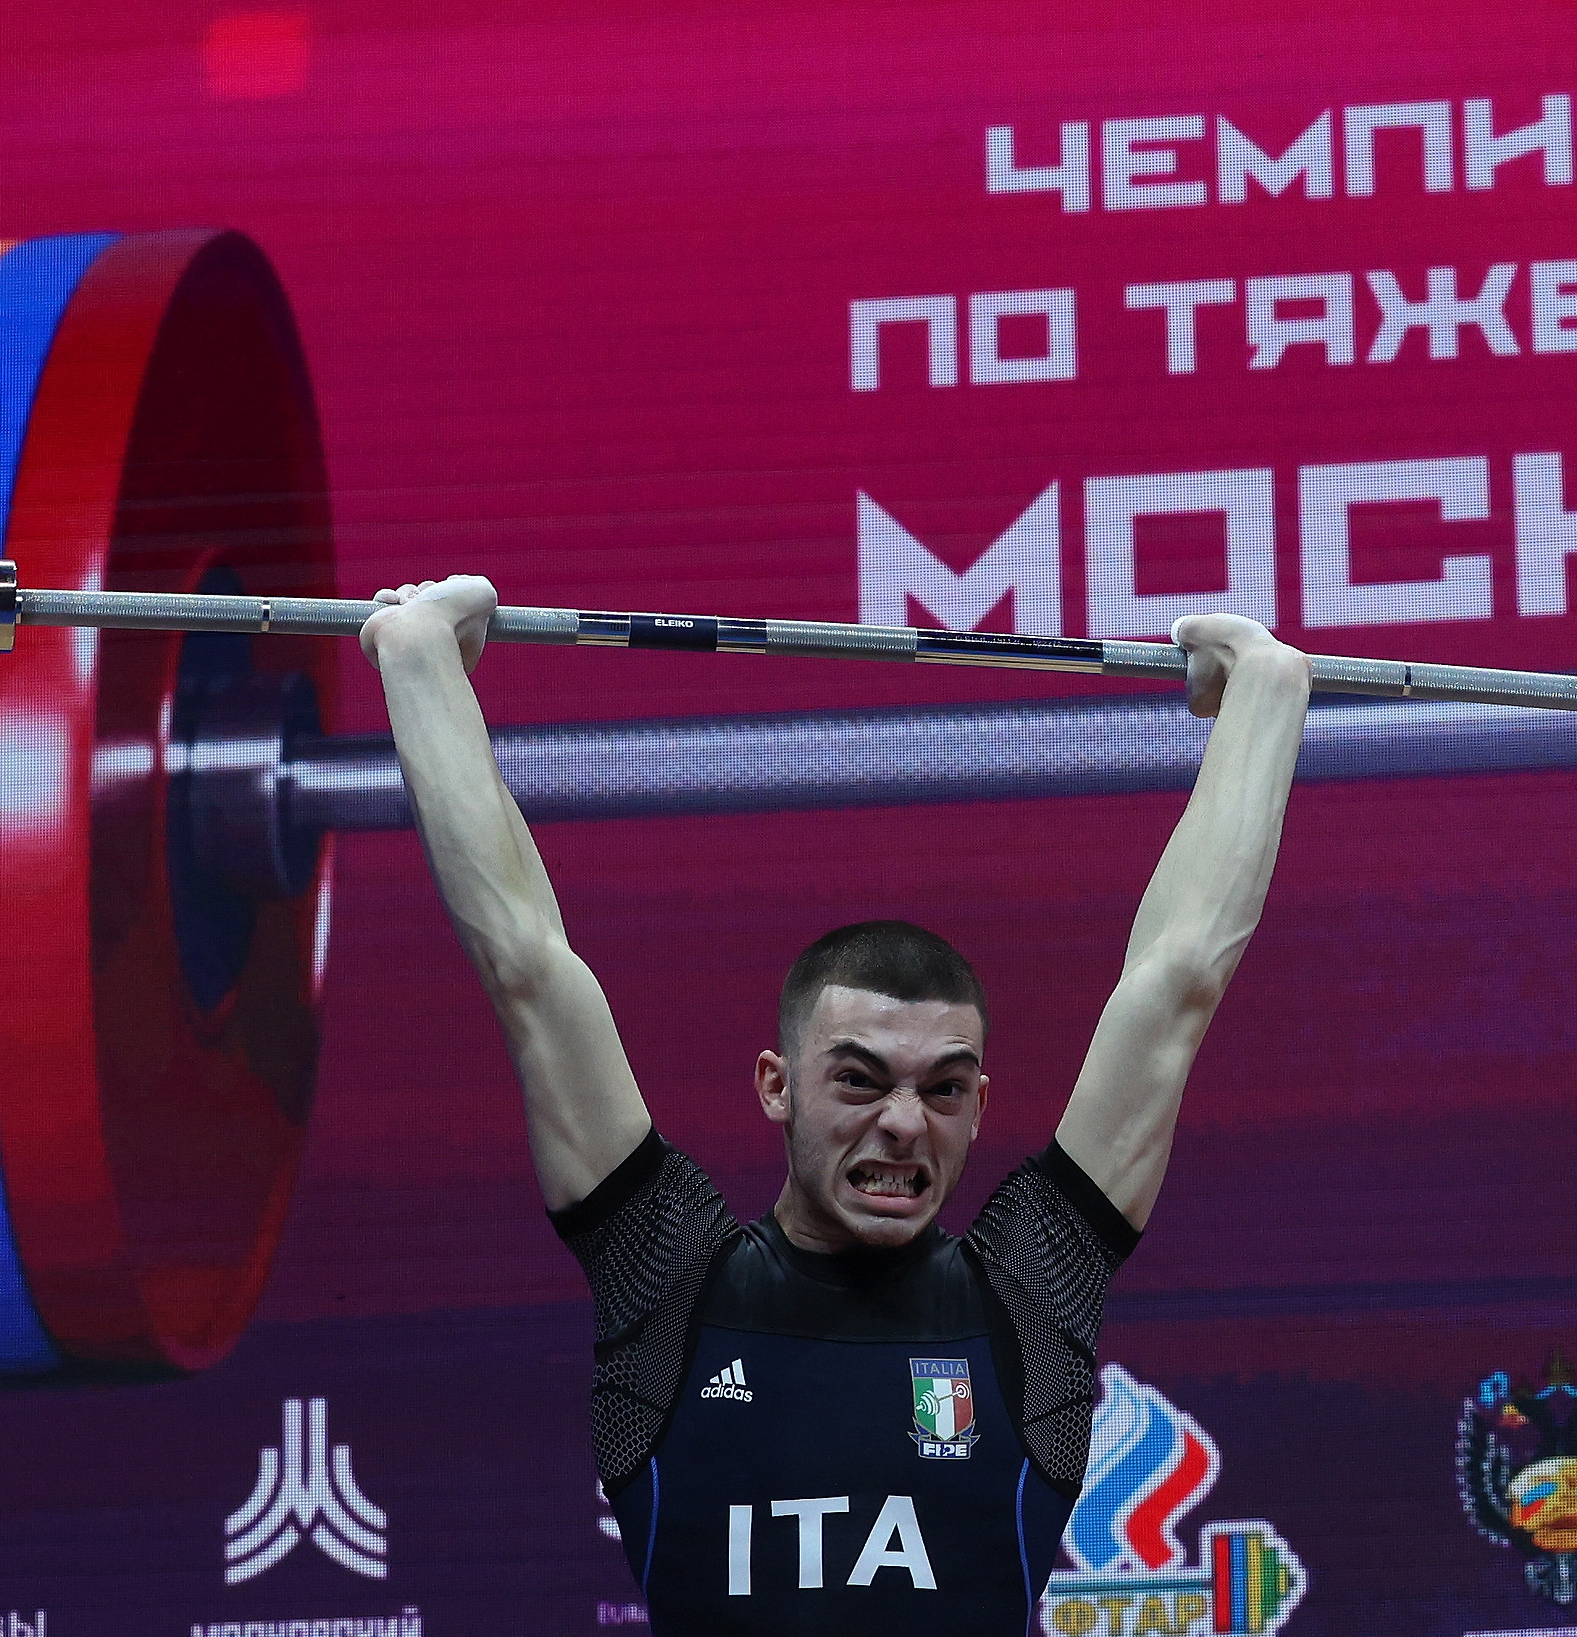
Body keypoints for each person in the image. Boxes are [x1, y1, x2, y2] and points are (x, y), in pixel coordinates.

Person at [360, 575, 1312, 1635]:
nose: (903, 1122)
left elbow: (1177, 985)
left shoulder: (1027, 1295)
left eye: (942, 1088)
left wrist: (1264, 694)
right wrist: (420, 661)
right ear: (778, 1084)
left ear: (979, 1104)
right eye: (859, 1078)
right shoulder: (669, 1279)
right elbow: (527, 965)